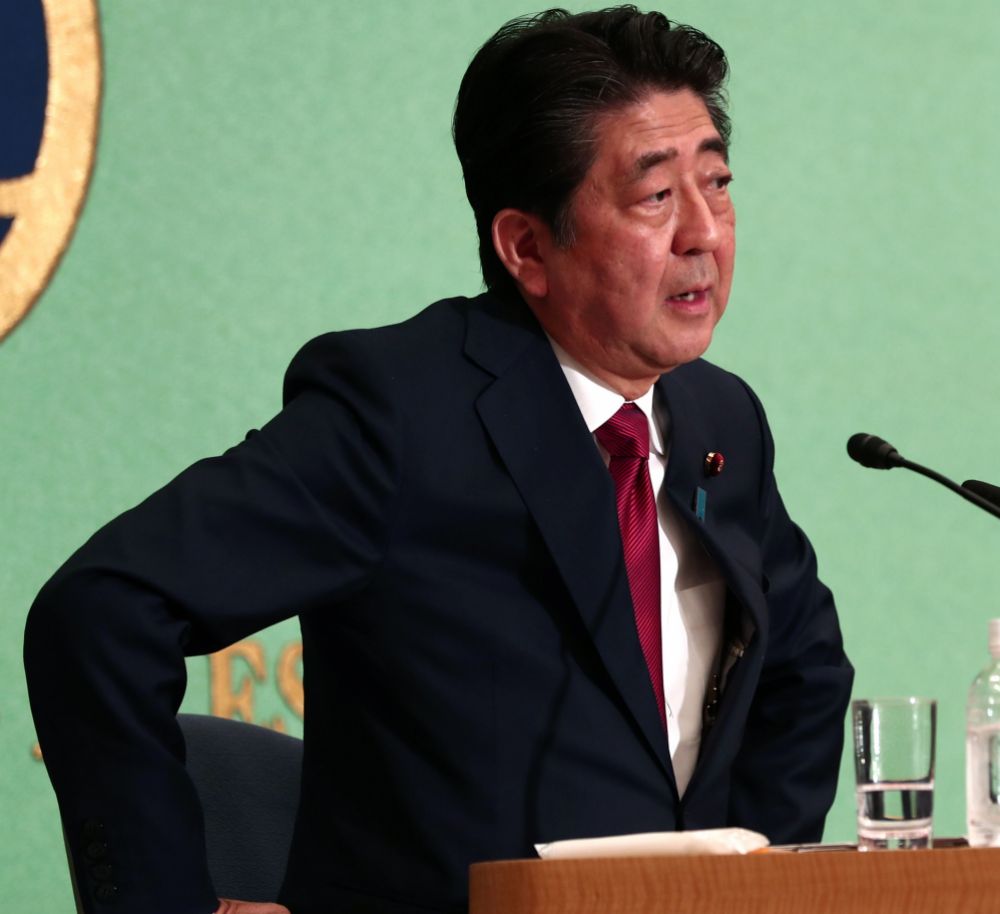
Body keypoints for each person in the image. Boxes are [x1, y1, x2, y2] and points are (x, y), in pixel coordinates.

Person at [23, 9, 854, 914]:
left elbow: (802, 668)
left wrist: (759, 880)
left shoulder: (715, 416)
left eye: (718, 184)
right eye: (655, 197)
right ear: (527, 247)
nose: (705, 232)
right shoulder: (403, 410)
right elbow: (100, 613)